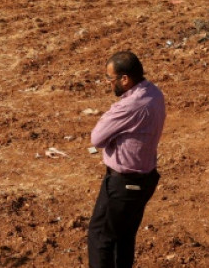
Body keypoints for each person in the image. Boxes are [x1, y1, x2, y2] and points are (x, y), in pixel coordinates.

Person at [87, 51, 166, 268]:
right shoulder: (155, 93)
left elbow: (97, 138)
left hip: (124, 184)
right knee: (123, 238)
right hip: (144, 180)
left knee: (101, 238)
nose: (108, 83)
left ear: (125, 79)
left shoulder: (130, 105)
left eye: (110, 78)